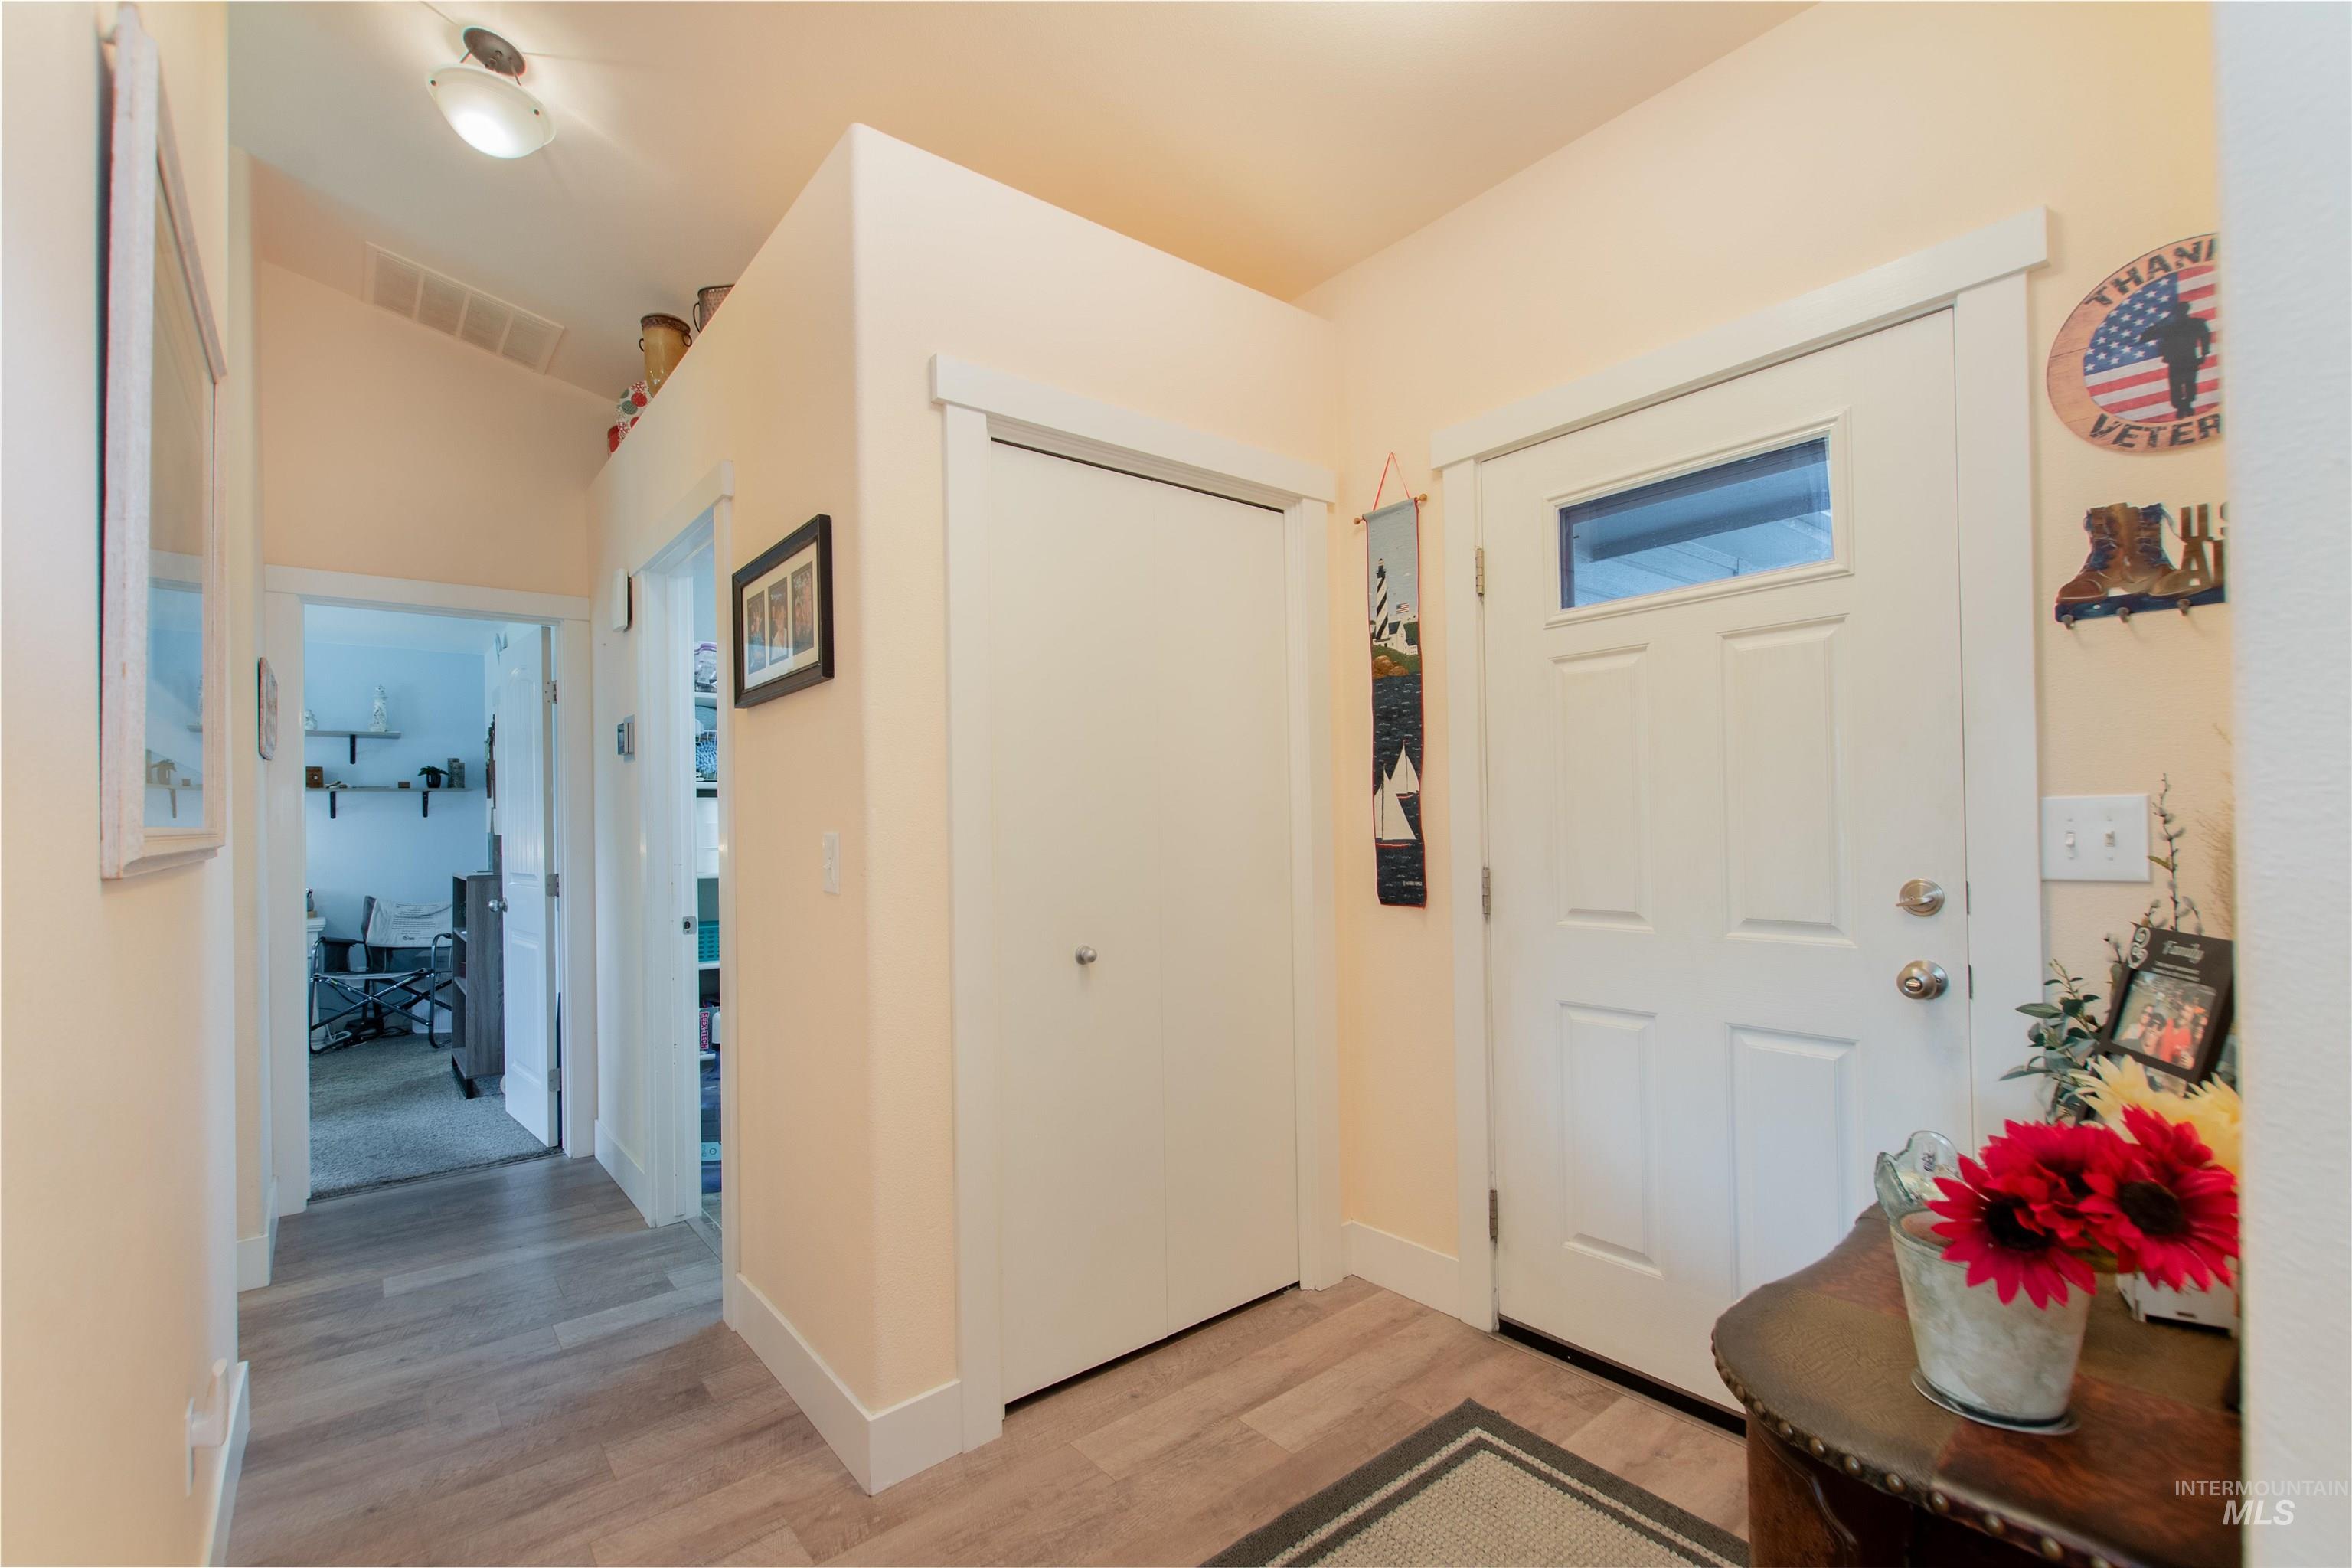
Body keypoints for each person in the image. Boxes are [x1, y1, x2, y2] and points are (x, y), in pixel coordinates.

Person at [2140, 299, 2212, 422]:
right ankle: (2184, 406)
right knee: (2182, 384)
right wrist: (2204, 355)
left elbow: (2205, 337)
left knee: (2183, 384)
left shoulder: (2174, 326)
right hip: (2182, 360)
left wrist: (2204, 354)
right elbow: (2145, 338)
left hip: (2183, 360)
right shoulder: (2188, 324)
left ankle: (2185, 406)